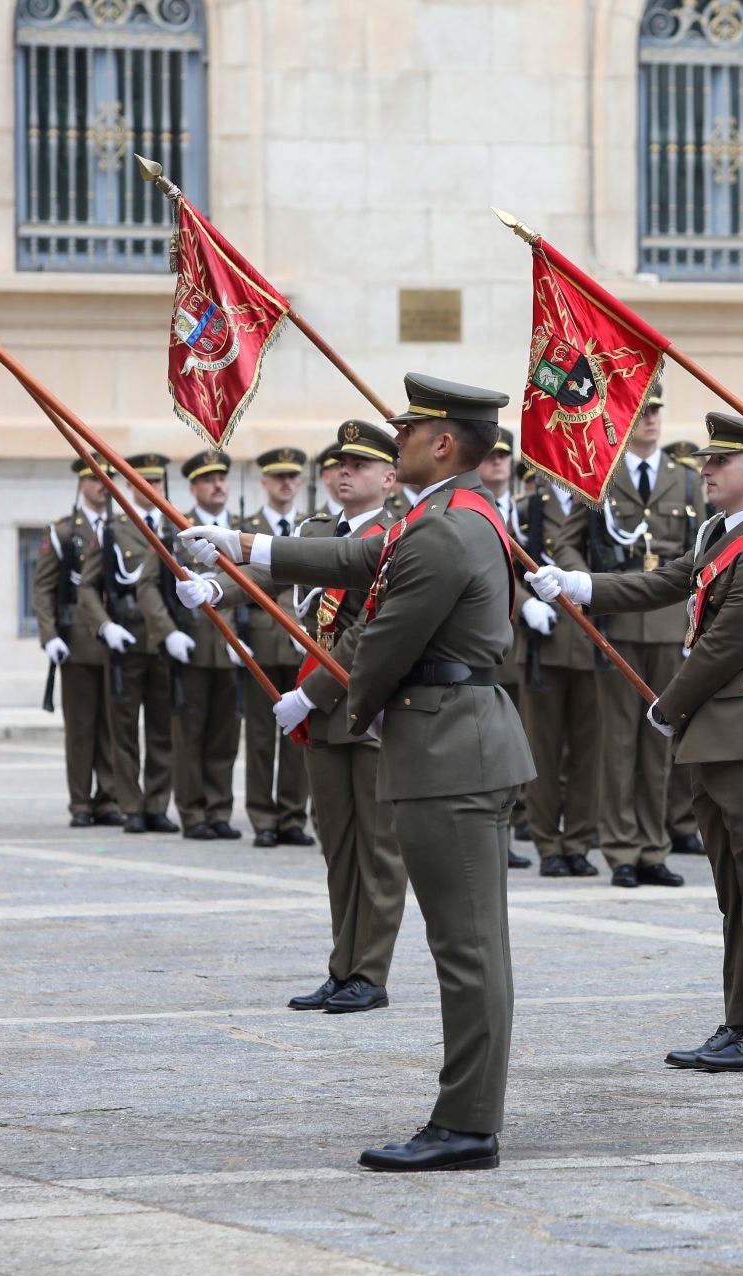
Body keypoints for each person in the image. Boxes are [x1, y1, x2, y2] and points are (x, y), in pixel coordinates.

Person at [180, 374, 535, 1172]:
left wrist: (327, 703)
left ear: (443, 443)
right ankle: (464, 1115)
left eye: (407, 429)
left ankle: (467, 1124)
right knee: (467, 944)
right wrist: (241, 547)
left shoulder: (444, 529)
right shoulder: (444, 515)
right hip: (448, 744)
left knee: (468, 948)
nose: (395, 437)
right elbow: (357, 555)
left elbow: (380, 641)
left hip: (449, 751)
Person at [529, 412, 743, 1073]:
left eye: (719, 463)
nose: (706, 471)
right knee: (734, 888)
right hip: (721, 728)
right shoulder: (722, 533)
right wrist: (581, 585)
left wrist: (669, 704)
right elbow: (664, 582)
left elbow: (724, 646)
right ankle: (741, 1016)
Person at [268, 421, 407, 1015]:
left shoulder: (396, 535)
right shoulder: (319, 531)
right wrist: (218, 586)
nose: (344, 472)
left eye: (360, 464)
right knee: (338, 847)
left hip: (364, 708)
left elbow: (368, 629)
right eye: (339, 463)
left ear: (390, 477)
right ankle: (342, 964)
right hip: (323, 715)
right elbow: (277, 567)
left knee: (377, 849)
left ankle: (369, 973)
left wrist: (313, 691)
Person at [553, 387, 698, 887]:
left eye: (657, 411)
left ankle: (653, 847)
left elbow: (703, 552)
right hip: (615, 622)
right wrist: (585, 590)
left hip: (667, 625)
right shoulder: (603, 475)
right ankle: (620, 850)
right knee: (616, 742)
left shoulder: (686, 478)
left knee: (660, 739)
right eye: (643, 412)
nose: (651, 421)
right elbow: (566, 544)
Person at [80, 453, 180, 834]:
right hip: (126, 641)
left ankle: (157, 804)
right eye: (145, 484)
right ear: (130, 488)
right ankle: (130, 804)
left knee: (162, 728)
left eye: (158, 483)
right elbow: (88, 586)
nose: (153, 490)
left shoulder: (176, 526)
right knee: (123, 730)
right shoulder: (114, 529)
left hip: (166, 642)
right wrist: (105, 626)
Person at [515, 462, 603, 879]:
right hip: (542, 647)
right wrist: (523, 605)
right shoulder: (525, 507)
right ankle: (547, 842)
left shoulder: (602, 505)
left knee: (589, 752)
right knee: (543, 751)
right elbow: (499, 567)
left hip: (592, 643)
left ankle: (580, 842)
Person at [34, 457, 121, 828]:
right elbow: (43, 588)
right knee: (82, 727)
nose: (104, 486)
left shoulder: (122, 527)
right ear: (82, 484)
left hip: (118, 641)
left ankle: (110, 797)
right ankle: (81, 802)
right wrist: (50, 635)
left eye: (108, 479)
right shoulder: (65, 531)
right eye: (96, 479)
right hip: (79, 642)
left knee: (114, 725)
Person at [236, 447, 313, 848]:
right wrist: (234, 639)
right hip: (259, 648)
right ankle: (263, 818)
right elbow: (230, 584)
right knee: (262, 738)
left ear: (300, 482)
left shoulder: (310, 529)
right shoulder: (245, 527)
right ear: (265, 481)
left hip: (300, 649)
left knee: (300, 733)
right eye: (278, 476)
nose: (285, 483)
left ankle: (292, 816)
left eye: (292, 476)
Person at [170, 450, 245, 840]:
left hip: (233, 654)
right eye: (208, 479)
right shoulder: (179, 531)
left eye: (222, 478)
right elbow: (154, 585)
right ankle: (193, 812)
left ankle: (219, 810)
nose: (218, 485)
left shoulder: (242, 530)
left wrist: (246, 640)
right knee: (190, 737)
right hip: (195, 649)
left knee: (224, 737)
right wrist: (169, 632)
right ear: (194, 487)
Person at [478, 429, 533, 869]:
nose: (497, 463)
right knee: (493, 740)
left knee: (524, 739)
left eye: (503, 456)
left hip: (533, 643)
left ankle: (518, 821)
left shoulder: (529, 511)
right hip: (490, 639)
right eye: (490, 455)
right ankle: (499, 830)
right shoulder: (477, 511)